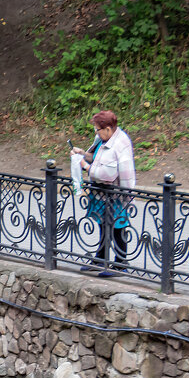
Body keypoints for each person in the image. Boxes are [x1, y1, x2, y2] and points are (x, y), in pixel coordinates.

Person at [72, 110, 135, 277]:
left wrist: (84, 166)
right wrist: (81, 154)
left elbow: (107, 174)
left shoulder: (120, 143)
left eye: (97, 129)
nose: (96, 132)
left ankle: (121, 264)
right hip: (102, 194)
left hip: (115, 194)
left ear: (108, 129)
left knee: (117, 227)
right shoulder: (103, 138)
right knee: (102, 224)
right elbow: (97, 158)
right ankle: (101, 258)